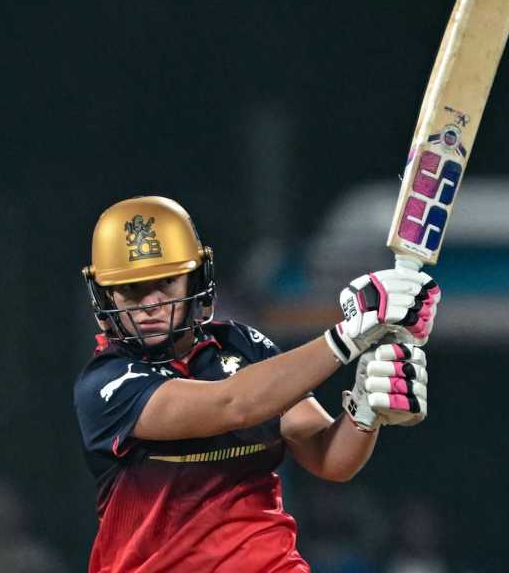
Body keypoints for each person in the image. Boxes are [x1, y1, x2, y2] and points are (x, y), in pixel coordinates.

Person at [73, 196, 440, 573]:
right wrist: (348, 336)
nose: (149, 304)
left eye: (165, 282)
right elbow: (233, 404)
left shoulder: (243, 346)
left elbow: (329, 459)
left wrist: (365, 410)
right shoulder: (107, 382)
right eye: (132, 289)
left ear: (196, 279)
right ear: (106, 296)